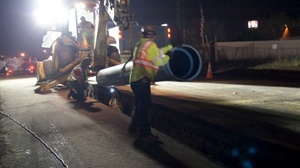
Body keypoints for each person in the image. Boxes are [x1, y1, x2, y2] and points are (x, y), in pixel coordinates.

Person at [127, 25, 174, 141]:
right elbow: (158, 60)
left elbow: (157, 52)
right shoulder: (150, 45)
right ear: (152, 35)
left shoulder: (141, 44)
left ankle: (133, 127)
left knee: (138, 106)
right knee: (144, 108)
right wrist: (168, 57)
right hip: (143, 80)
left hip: (135, 80)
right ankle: (145, 134)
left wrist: (170, 47)